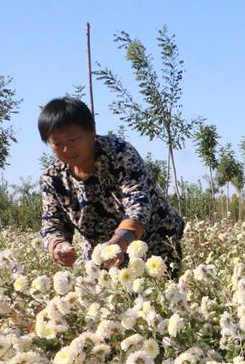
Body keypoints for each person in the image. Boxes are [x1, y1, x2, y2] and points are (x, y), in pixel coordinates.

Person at [38, 97, 184, 274]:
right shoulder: (53, 178)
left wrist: (119, 243)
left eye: (73, 139)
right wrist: (58, 245)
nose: (67, 149)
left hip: (154, 243)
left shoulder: (119, 154)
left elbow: (138, 204)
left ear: (92, 131)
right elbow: (52, 223)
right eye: (57, 143)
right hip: (103, 256)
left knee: (160, 296)